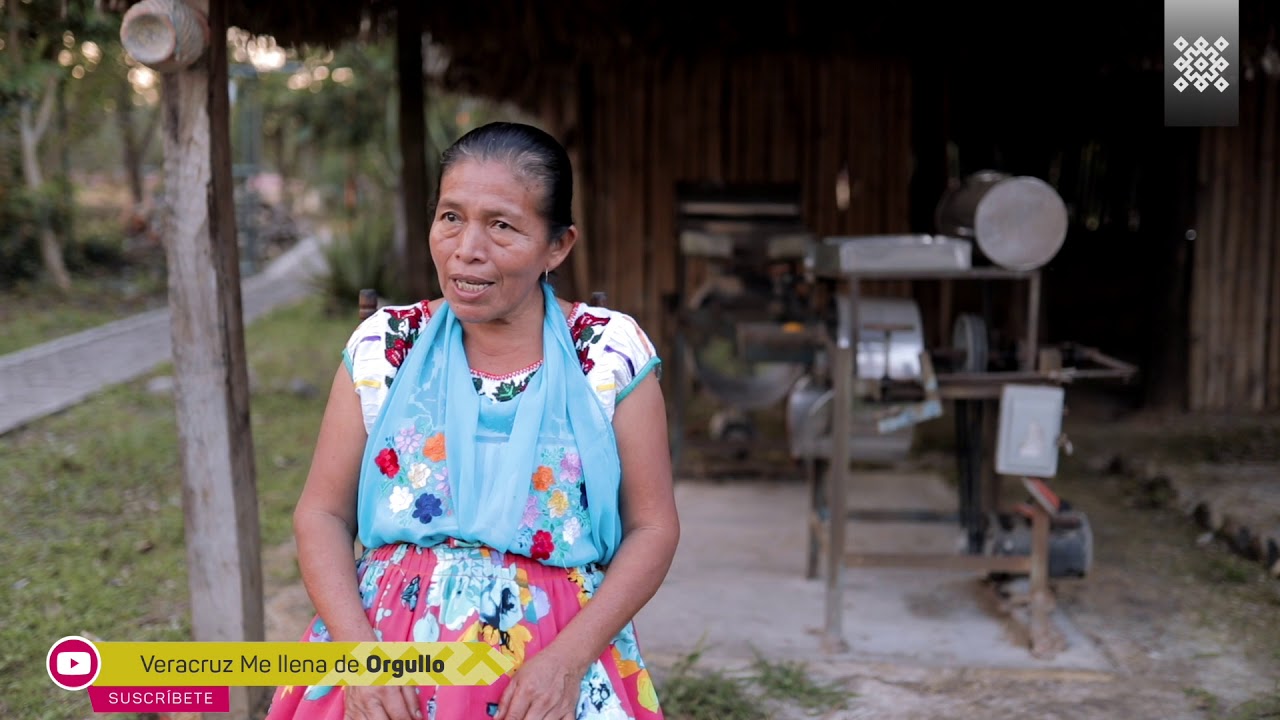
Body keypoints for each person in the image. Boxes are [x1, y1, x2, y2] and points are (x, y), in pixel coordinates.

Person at [264, 122, 679, 720]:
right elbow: (322, 514)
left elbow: (654, 528)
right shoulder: (386, 346)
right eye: (451, 217)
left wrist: (566, 662)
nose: (467, 249)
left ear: (557, 246)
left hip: (552, 667)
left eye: (502, 225)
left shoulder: (608, 354)